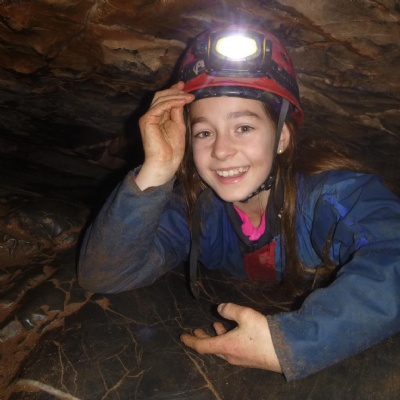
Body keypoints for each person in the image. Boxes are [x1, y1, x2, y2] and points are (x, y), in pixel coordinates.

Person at [78, 25, 400, 381]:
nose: (221, 150)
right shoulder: (197, 212)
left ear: (281, 137)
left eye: (244, 127)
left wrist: (293, 342)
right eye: (204, 132)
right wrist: (157, 168)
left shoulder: (334, 196)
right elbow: (105, 273)